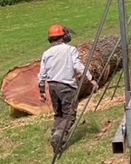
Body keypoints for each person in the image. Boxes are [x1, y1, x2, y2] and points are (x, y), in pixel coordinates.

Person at [38, 24, 98, 153]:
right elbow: (78, 66)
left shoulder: (46, 53)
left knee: (58, 114)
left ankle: (56, 136)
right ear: (64, 37)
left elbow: (42, 73)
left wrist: (42, 90)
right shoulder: (70, 50)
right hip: (67, 86)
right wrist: (91, 79)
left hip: (52, 87)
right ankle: (58, 135)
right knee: (69, 114)